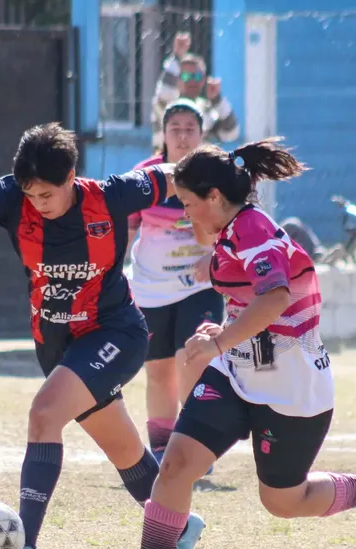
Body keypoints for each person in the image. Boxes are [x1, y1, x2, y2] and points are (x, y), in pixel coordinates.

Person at [90, 138, 356, 549]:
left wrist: (217, 340)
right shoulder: (227, 232)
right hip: (236, 375)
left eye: (190, 203)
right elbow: (252, 302)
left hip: (292, 388)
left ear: (214, 197)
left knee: (282, 501)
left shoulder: (251, 228)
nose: (185, 213)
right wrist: (227, 331)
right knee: (174, 465)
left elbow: (276, 297)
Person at [0, 123, 203, 549]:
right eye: (31, 194)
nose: (39, 202)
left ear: (72, 177)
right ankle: (179, 528)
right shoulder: (8, 197)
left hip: (115, 332)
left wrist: (232, 169)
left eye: (48, 194)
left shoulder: (111, 194)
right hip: (57, 343)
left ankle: (25, 548)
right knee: (124, 451)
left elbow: (175, 173)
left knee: (43, 414)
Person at [127, 100, 225, 476]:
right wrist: (114, 272)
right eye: (175, 129)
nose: (183, 136)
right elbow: (129, 228)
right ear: (163, 134)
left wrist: (213, 256)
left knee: (194, 360)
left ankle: (199, 445)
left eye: (190, 129)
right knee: (159, 370)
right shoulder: (144, 176)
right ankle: (163, 450)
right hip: (150, 287)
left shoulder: (218, 176)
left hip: (199, 286)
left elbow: (230, 228)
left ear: (202, 135)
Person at [150, 32, 240, 151]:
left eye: (197, 76)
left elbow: (230, 133)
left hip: (197, 168)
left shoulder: (206, 109)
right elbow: (165, 93)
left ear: (204, 79)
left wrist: (217, 100)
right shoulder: (166, 105)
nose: (191, 81)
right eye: (186, 76)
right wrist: (177, 57)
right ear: (177, 78)